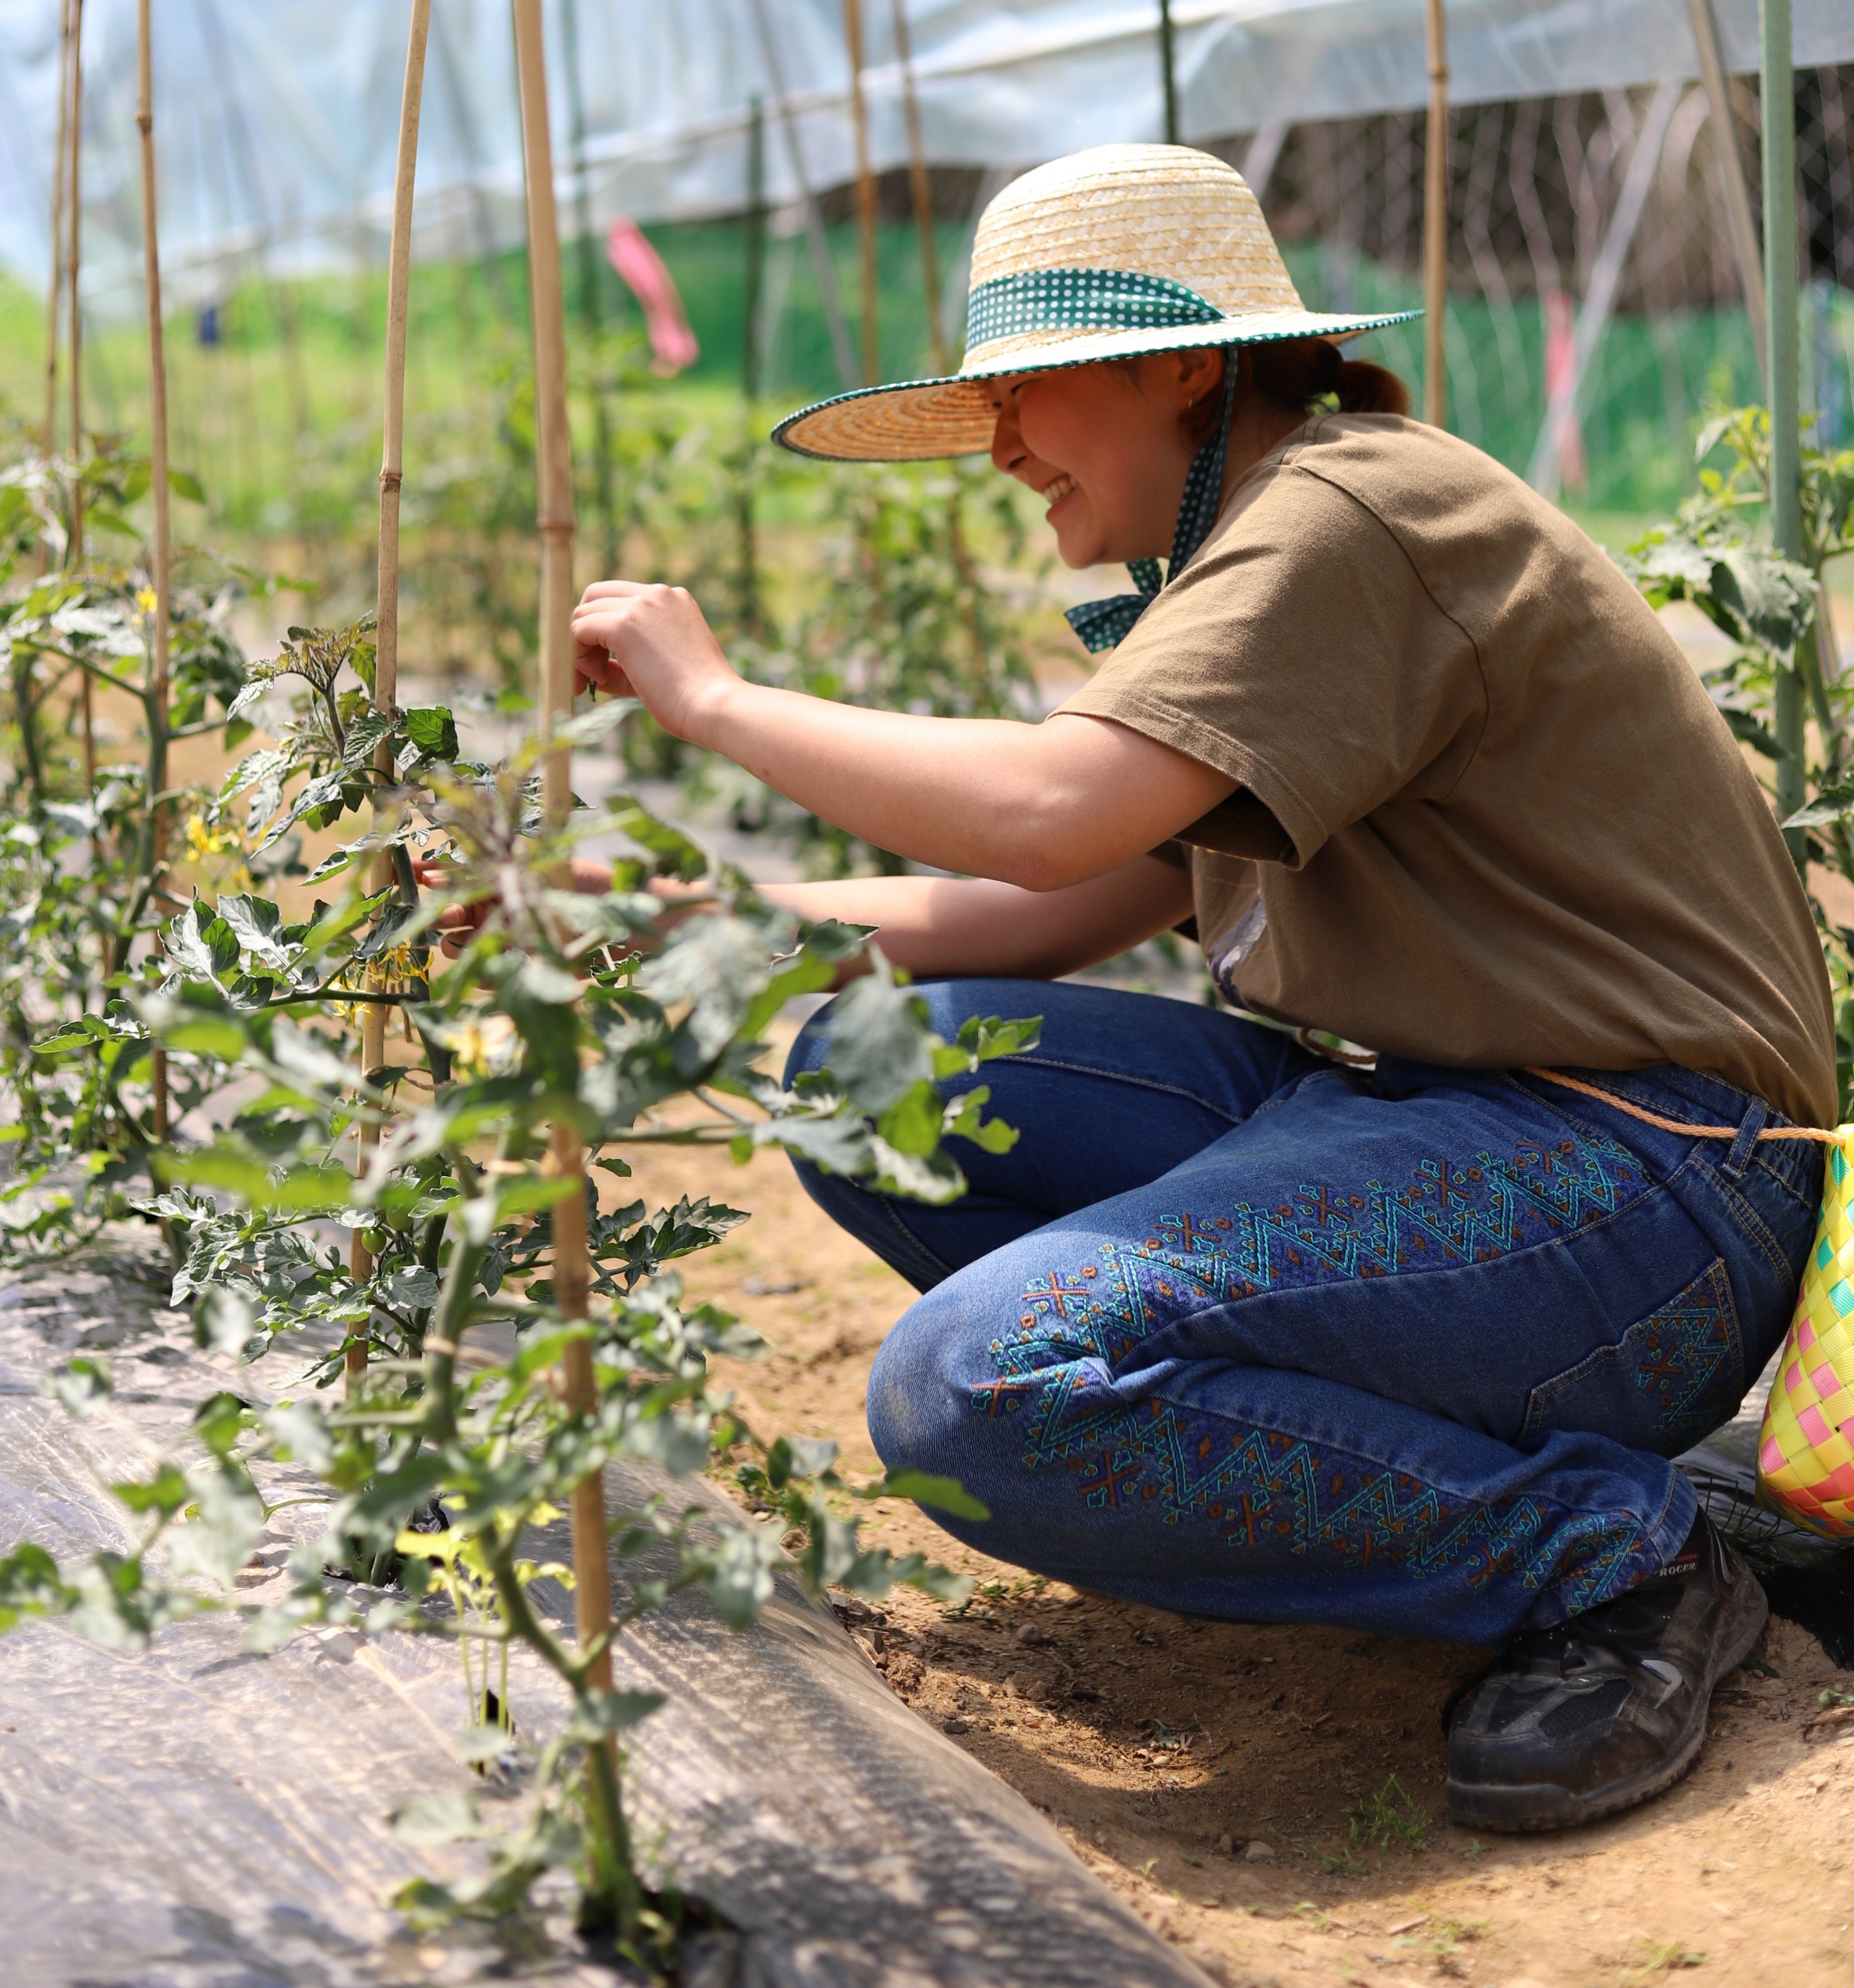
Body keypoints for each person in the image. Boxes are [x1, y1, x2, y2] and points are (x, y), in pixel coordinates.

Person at [567, 141, 1832, 1835]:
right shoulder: (1254, 556)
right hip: (1448, 1127)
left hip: (1647, 1176)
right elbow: (1040, 909)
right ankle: (1282, 1470)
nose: (1004, 449)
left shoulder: (1351, 516)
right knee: (886, 1081)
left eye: (1027, 393)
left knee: (976, 1390)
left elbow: (1041, 818)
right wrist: (681, 919)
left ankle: (1619, 1557)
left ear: (1180, 364)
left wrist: (716, 700)